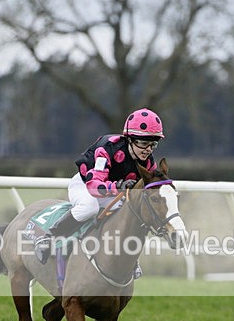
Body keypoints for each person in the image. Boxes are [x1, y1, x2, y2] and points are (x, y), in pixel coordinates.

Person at [34, 107, 164, 264]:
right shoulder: (107, 148)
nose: (148, 150)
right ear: (129, 139)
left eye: (153, 145)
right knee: (90, 207)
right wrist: (118, 186)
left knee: (129, 211)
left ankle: (128, 260)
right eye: (144, 144)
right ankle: (48, 239)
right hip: (84, 185)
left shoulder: (148, 161)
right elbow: (94, 187)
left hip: (111, 192)